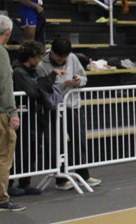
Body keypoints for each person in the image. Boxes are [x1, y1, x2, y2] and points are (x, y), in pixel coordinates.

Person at [38, 37, 102, 190]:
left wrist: (79, 80)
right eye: (58, 57)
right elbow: (43, 88)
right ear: (52, 52)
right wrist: (64, 84)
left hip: (73, 105)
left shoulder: (73, 58)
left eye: (64, 57)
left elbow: (84, 77)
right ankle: (60, 179)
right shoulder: (41, 65)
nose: (61, 60)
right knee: (57, 142)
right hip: (54, 108)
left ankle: (83, 175)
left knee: (79, 140)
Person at [11, 39, 55, 197]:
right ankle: (10, 183)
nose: (40, 60)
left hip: (32, 114)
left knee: (31, 148)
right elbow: (34, 90)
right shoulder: (18, 72)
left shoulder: (33, 71)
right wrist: (44, 83)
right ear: (30, 57)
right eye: (38, 57)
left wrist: (42, 84)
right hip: (21, 114)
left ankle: (25, 182)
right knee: (18, 149)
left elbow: (39, 88)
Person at [0, 15, 24, 212]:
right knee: (2, 157)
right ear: (7, 33)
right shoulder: (0, 52)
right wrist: (12, 112)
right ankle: (0, 198)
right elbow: (5, 85)